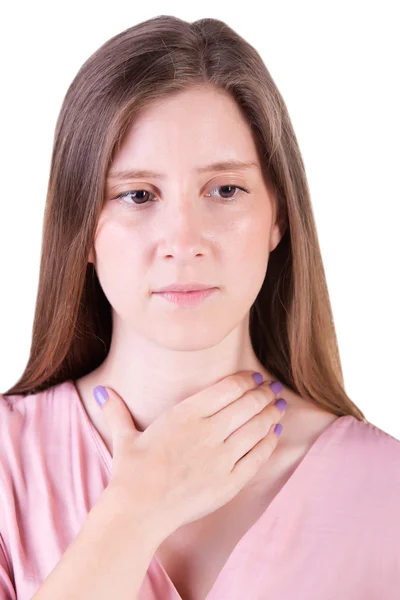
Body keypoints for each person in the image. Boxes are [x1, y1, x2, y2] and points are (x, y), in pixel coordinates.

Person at [1, 14, 399, 600]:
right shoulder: (8, 465)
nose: (183, 239)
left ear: (278, 217)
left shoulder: (383, 491)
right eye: (138, 194)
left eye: (224, 190)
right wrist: (134, 513)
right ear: (81, 229)